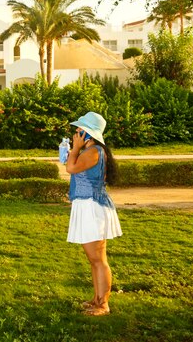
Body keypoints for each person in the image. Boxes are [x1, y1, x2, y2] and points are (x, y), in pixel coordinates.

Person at [65, 111, 122, 316]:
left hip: (92, 208)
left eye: (80, 129)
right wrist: (74, 150)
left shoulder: (93, 152)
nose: (76, 132)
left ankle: (103, 304)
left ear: (89, 133)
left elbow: (70, 168)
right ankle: (97, 299)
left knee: (98, 259)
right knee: (94, 259)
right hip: (88, 206)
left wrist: (75, 149)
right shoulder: (92, 151)